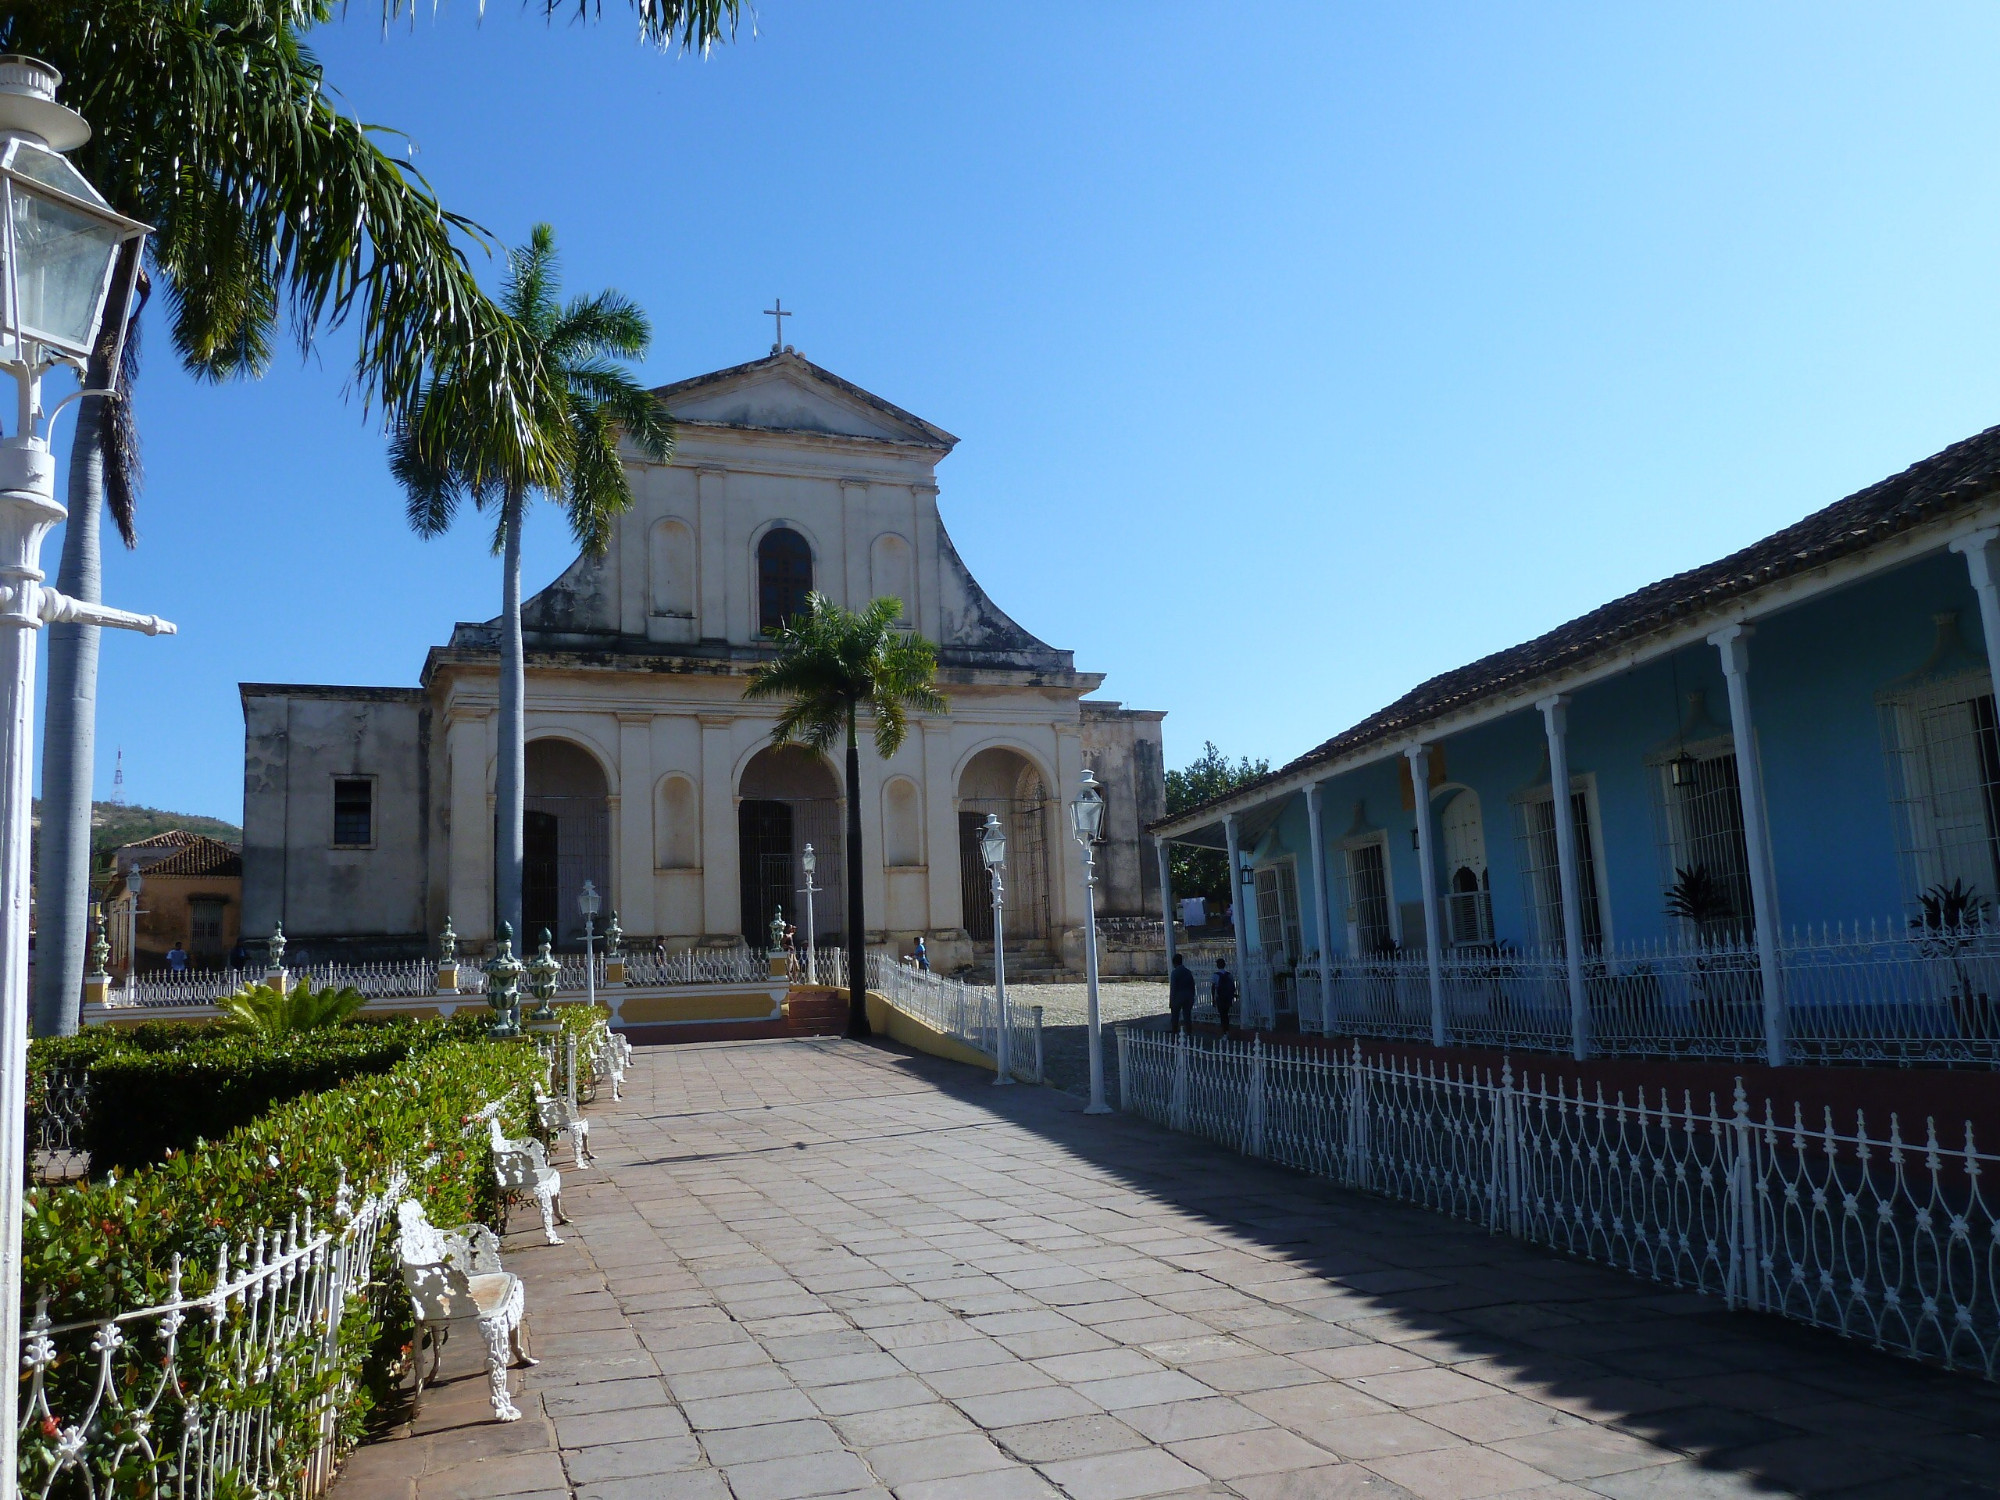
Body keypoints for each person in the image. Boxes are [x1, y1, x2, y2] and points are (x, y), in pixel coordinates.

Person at [1168, 952, 1196, 1036]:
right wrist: (1192, 996)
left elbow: (1173, 988)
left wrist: (1171, 1001)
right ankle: (1189, 1032)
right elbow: (1192, 985)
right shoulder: (1188, 972)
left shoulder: (1175, 973)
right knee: (1187, 1016)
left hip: (1178, 997)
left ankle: (1174, 1032)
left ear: (1174, 963)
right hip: (1188, 996)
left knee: (1175, 1016)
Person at [1211, 956, 1237, 1034]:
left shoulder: (1215, 975)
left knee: (1222, 1015)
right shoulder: (1229, 975)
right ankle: (1227, 1030)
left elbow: (1213, 988)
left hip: (1220, 997)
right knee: (1226, 1013)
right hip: (1228, 997)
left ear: (1217, 965)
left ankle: (1225, 1032)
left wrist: (1213, 999)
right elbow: (1233, 986)